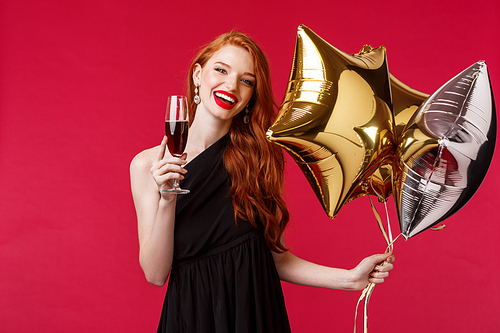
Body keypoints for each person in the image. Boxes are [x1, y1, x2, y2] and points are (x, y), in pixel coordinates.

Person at [130, 31, 394, 333]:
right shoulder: (147, 165)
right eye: (221, 70)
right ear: (198, 75)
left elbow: (271, 257)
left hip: (255, 311)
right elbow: (155, 273)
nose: (231, 85)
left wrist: (349, 279)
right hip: (193, 315)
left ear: (252, 94)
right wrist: (167, 199)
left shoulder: (258, 158)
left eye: (247, 80)